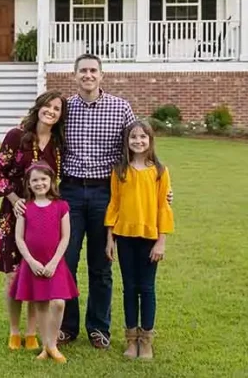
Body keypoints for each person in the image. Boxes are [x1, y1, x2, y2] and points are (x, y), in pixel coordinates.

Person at [58, 53, 135, 350]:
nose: (88, 75)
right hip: (71, 193)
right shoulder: (65, 109)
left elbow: (137, 148)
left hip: (106, 193)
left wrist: (159, 186)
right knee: (67, 260)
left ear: (102, 75)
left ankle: (99, 327)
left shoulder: (120, 108)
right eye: (83, 71)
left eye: (93, 71)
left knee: (101, 264)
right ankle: (67, 325)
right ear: (74, 75)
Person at [0, 91, 67, 351]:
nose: (51, 111)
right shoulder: (16, 136)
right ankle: (14, 331)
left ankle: (32, 332)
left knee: (35, 273)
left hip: (43, 216)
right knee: (13, 275)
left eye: (57, 109)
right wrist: (14, 200)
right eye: (48, 106)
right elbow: (0, 174)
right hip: (14, 212)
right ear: (38, 107)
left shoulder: (57, 143)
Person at [106, 120, 175, 360]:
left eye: (143, 137)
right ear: (127, 142)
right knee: (129, 289)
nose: (138, 141)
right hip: (124, 237)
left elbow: (163, 207)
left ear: (150, 140)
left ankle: (146, 340)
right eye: (133, 137)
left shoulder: (159, 171)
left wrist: (161, 241)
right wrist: (109, 239)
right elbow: (114, 205)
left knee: (146, 289)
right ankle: (131, 338)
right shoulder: (119, 171)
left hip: (149, 238)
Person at [9, 161, 78, 364]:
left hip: (54, 264)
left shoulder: (61, 206)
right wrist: (30, 261)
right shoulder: (25, 208)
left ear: (51, 181)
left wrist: (55, 262)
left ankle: (52, 343)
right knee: (40, 304)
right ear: (29, 184)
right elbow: (19, 238)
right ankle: (46, 346)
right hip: (33, 265)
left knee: (58, 302)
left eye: (43, 179)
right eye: (35, 180)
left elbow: (65, 237)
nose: (40, 183)